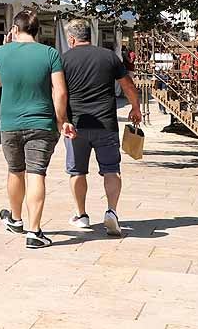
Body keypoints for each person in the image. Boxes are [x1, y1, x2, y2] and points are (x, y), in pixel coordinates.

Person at [0, 9, 76, 248]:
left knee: (15, 170)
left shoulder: (1, 52)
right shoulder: (50, 53)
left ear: (15, 30)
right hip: (42, 123)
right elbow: (59, 91)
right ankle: (34, 231)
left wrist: (6, 48)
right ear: (37, 30)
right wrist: (63, 120)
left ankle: (16, 219)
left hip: (9, 123)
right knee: (36, 173)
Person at [60, 19, 142, 236]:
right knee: (111, 169)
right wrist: (135, 108)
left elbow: (60, 94)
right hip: (106, 123)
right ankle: (112, 212)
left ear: (71, 38)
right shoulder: (108, 57)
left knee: (77, 171)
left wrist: (62, 119)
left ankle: (82, 215)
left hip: (76, 125)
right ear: (91, 36)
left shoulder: (64, 60)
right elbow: (128, 85)